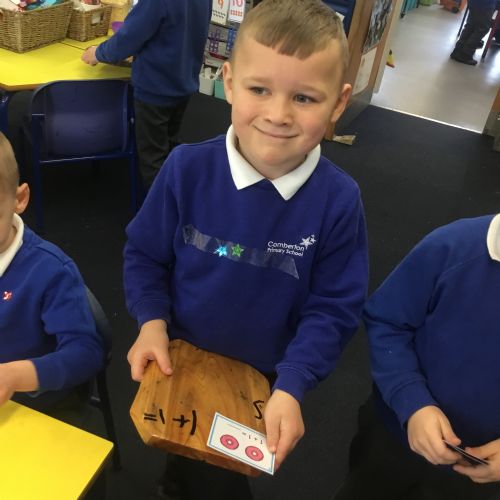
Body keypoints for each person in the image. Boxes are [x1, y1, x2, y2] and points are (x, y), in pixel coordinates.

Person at [123, 0, 368, 498]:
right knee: (180, 460)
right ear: (229, 82)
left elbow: (334, 307)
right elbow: (145, 253)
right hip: (179, 361)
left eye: (304, 98)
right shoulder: (185, 169)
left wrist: (294, 381)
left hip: (263, 380)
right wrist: (151, 322)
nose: (278, 115)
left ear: (338, 103)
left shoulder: (339, 201)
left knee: (226, 479)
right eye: (260, 90)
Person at [334, 214, 500, 500]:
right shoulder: (452, 247)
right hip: (398, 431)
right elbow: (387, 321)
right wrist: (412, 403)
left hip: (480, 471)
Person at [0, 132, 104, 425]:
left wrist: (15, 376)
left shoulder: (50, 271)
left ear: (19, 199)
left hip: (39, 406)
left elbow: (86, 353)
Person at [81, 0, 212, 189]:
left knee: (153, 161)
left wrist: (98, 53)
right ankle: (174, 198)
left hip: (155, 88)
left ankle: (161, 205)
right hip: (183, 81)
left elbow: (129, 36)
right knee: (169, 150)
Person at [450, 0, 497, 65]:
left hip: (474, 2)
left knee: (470, 26)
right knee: (481, 29)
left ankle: (457, 51)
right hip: (486, 4)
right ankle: (465, 54)